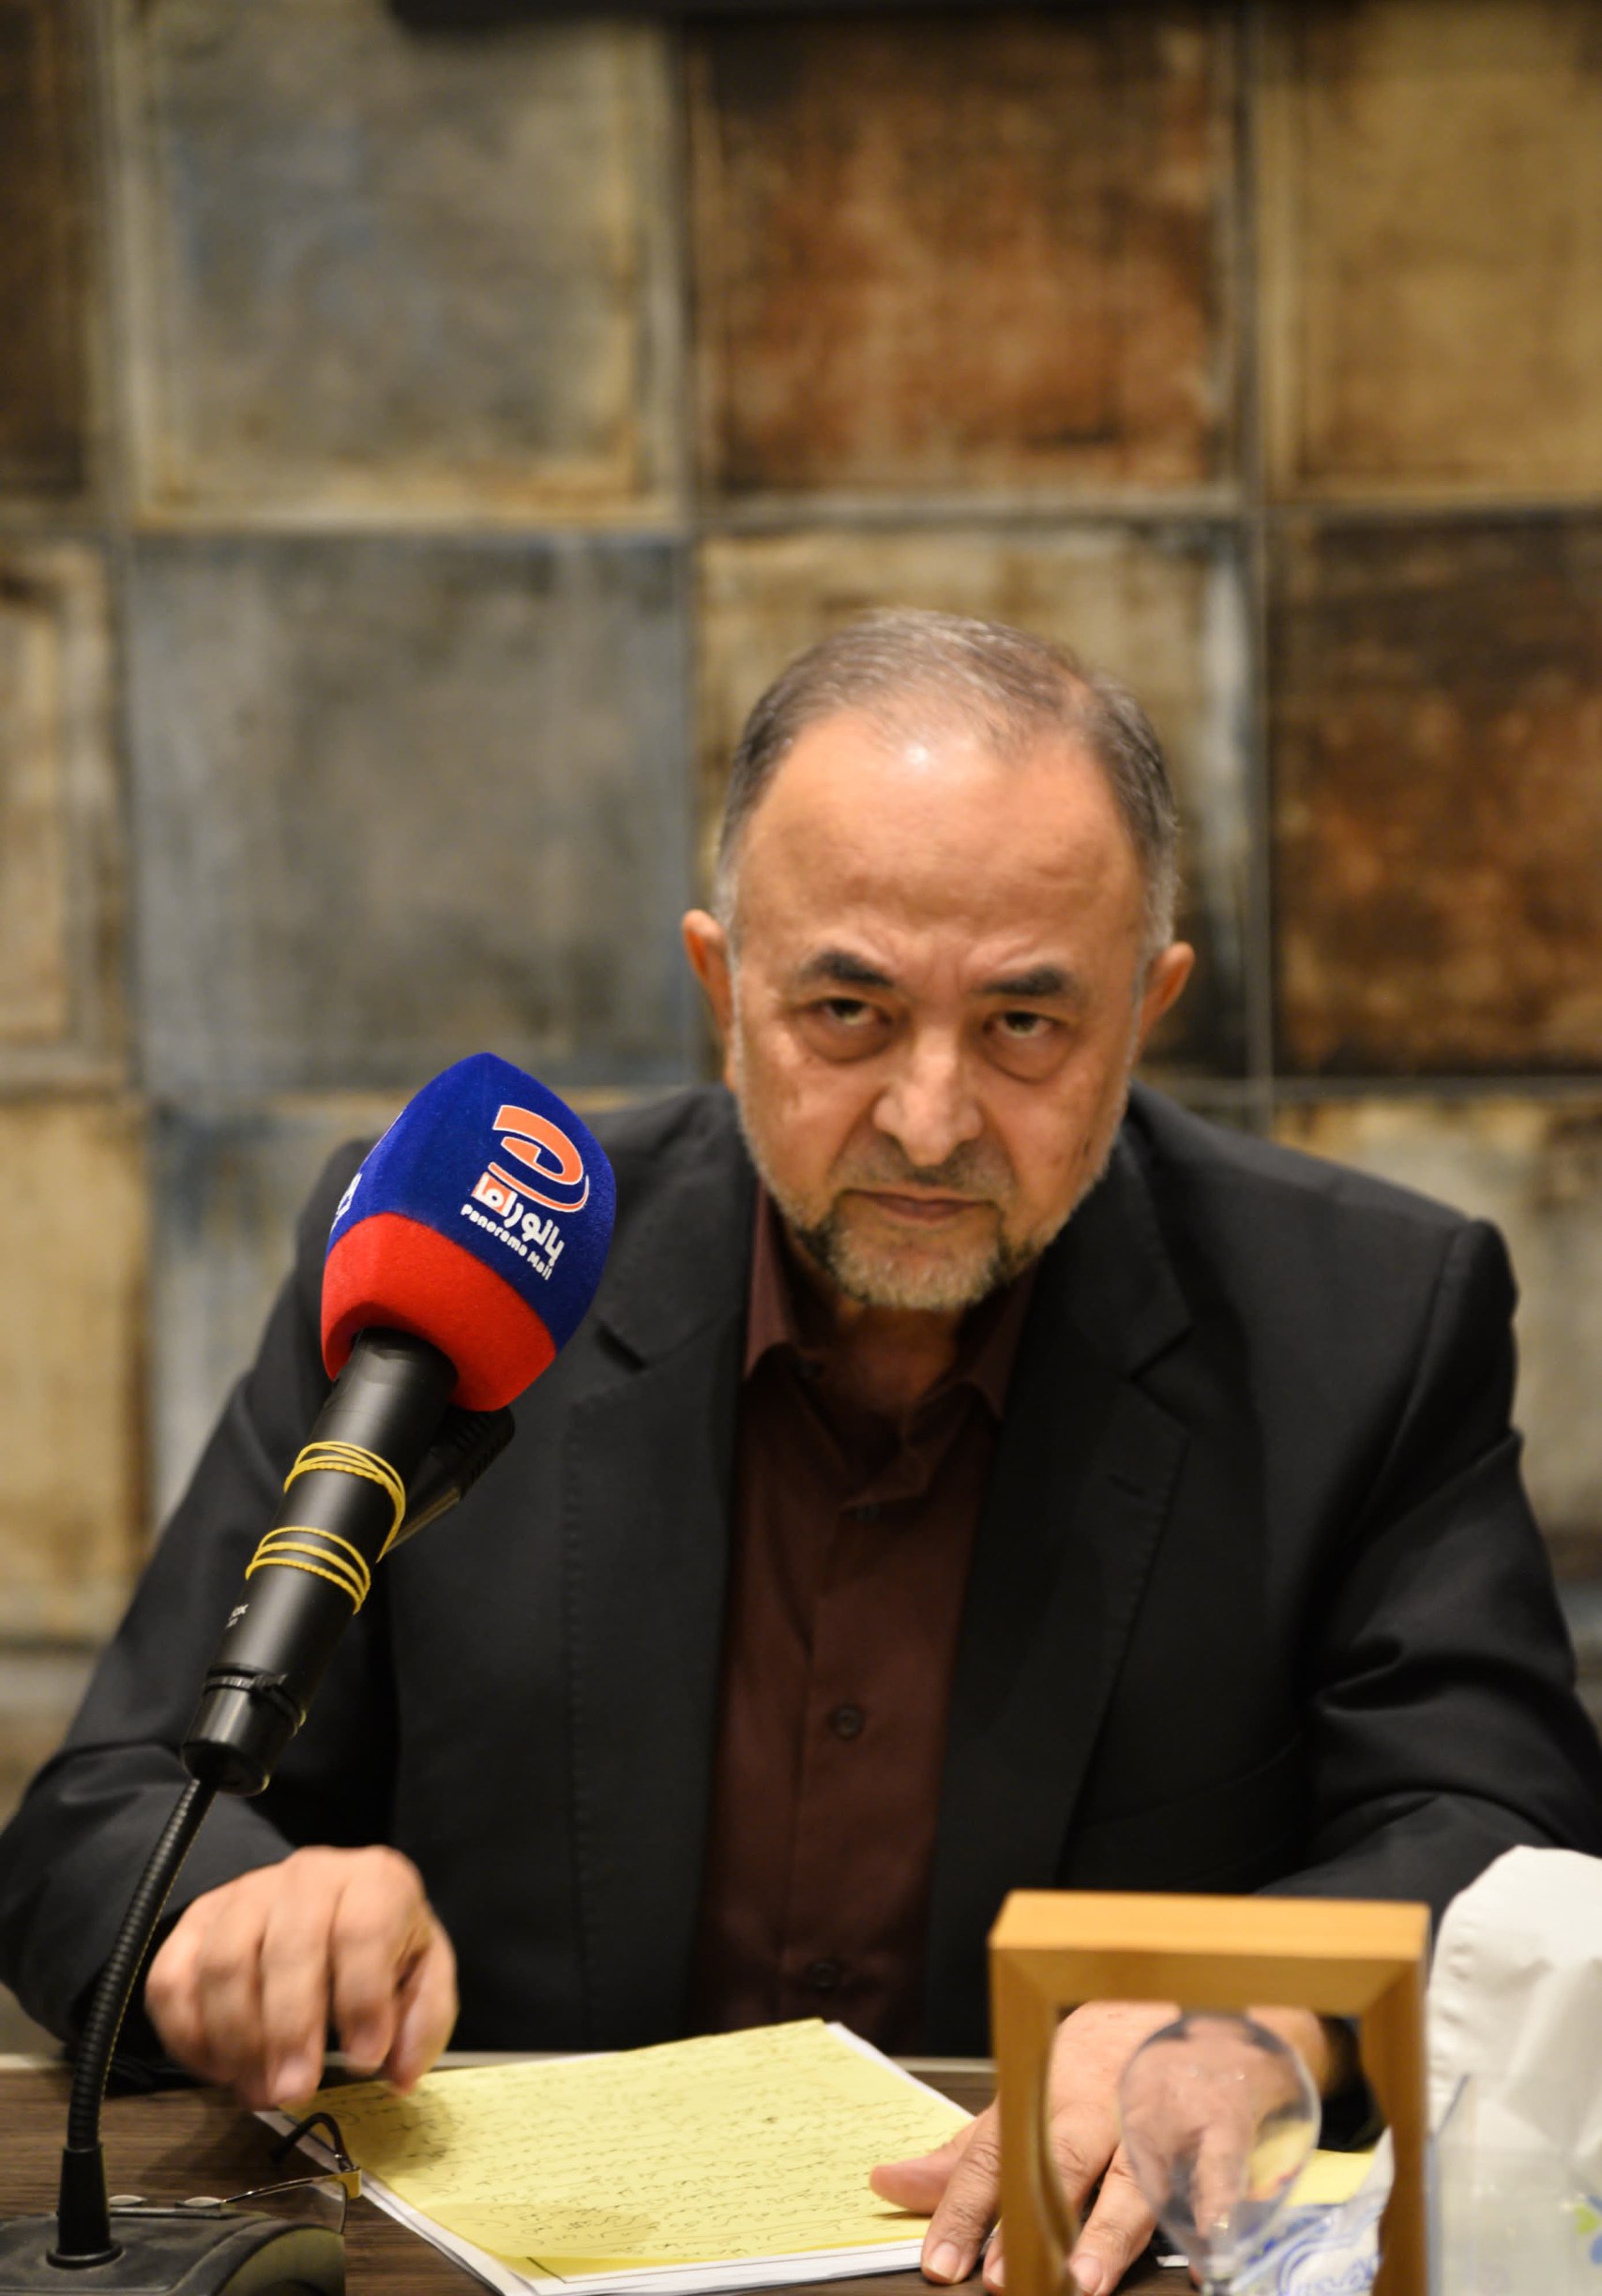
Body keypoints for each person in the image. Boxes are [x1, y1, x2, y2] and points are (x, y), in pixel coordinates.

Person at [3, 610, 1600, 2296]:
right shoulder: (461, 1276)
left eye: (1026, 1026)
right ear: (723, 988)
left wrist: (1251, 2011)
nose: (929, 1118)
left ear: (1148, 1008)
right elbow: (106, 1814)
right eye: (847, 1009)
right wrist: (225, 1921)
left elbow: (1501, 1827)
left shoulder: (1363, 1322)